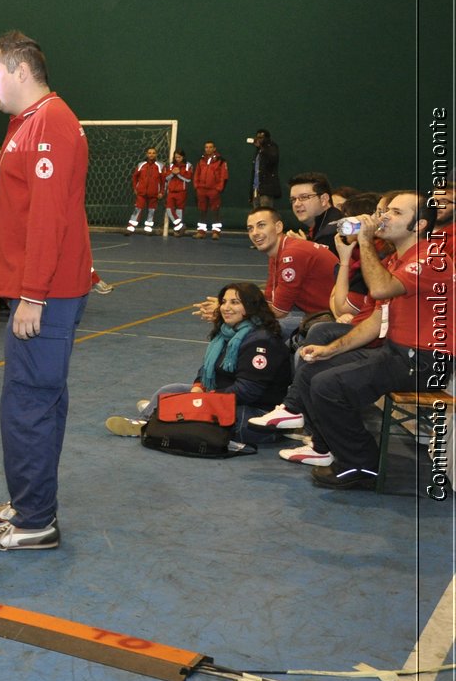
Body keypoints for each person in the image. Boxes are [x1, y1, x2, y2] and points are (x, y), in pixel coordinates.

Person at [0, 30, 91, 552]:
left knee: (28, 404)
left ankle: (36, 520)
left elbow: (48, 218)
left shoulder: (52, 123)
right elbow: (2, 196)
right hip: (36, 288)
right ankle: (29, 498)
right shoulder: (23, 125)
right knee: (37, 399)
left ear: (20, 70)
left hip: (47, 292)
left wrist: (34, 294)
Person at [253, 191, 450, 488]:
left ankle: (361, 466)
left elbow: (381, 290)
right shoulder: (399, 259)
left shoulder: (429, 260)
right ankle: (324, 448)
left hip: (425, 361)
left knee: (328, 385)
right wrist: (329, 349)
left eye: (396, 213)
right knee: (314, 368)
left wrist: (366, 241)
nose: (384, 216)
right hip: (398, 352)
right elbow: (374, 322)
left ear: (419, 225)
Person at [104, 282, 290, 445]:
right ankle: (146, 420)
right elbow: (207, 368)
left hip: (256, 413)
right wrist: (198, 388)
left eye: (235, 302)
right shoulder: (227, 332)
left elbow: (248, 391)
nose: (226, 307)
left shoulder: (261, 341)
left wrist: (207, 398)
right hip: (223, 396)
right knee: (170, 390)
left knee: (195, 415)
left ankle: (158, 416)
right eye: (224, 301)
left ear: (250, 306)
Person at [198, 207, 335, 338]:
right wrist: (232, 303)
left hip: (332, 317)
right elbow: (269, 298)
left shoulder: (291, 255)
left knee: (251, 327)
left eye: (261, 225)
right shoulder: (277, 253)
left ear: (278, 227)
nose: (255, 233)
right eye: (250, 229)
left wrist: (233, 310)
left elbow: (278, 311)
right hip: (314, 311)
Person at [287, 172, 344, 251]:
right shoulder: (322, 224)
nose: (296, 204)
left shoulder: (331, 232)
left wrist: (305, 249)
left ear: (324, 199)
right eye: (293, 199)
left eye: (304, 197)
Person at [192, 141, 228, 238]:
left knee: (215, 210)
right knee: (202, 210)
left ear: (214, 148)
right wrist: (197, 186)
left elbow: (223, 176)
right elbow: (196, 174)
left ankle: (216, 232)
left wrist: (218, 189)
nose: (208, 149)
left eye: (210, 147)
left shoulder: (221, 161)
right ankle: (201, 231)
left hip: (214, 190)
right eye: (206, 147)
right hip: (201, 190)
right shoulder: (201, 160)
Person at [126, 147, 164, 234]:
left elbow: (163, 181)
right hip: (141, 193)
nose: (151, 154)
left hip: (154, 193)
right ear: (146, 154)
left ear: (156, 154)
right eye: (149, 153)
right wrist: (135, 188)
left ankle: (148, 229)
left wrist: (161, 192)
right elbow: (135, 177)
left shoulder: (160, 166)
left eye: (153, 153)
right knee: (137, 209)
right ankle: (130, 228)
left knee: (151, 211)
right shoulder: (141, 165)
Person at [163, 149, 194, 236]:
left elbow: (188, 179)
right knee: (169, 209)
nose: (177, 159)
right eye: (176, 157)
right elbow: (166, 178)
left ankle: (177, 231)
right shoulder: (170, 165)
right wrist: (173, 173)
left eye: (179, 157)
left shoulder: (188, 165)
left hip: (181, 192)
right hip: (171, 191)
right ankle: (180, 225)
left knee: (179, 211)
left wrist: (179, 173)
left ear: (183, 157)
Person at [250, 128, 280, 208]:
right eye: (257, 137)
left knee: (266, 212)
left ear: (267, 138)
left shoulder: (272, 147)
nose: (258, 140)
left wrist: (262, 148)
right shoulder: (258, 151)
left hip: (266, 189)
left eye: (261, 138)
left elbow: (273, 159)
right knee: (256, 213)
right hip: (256, 188)